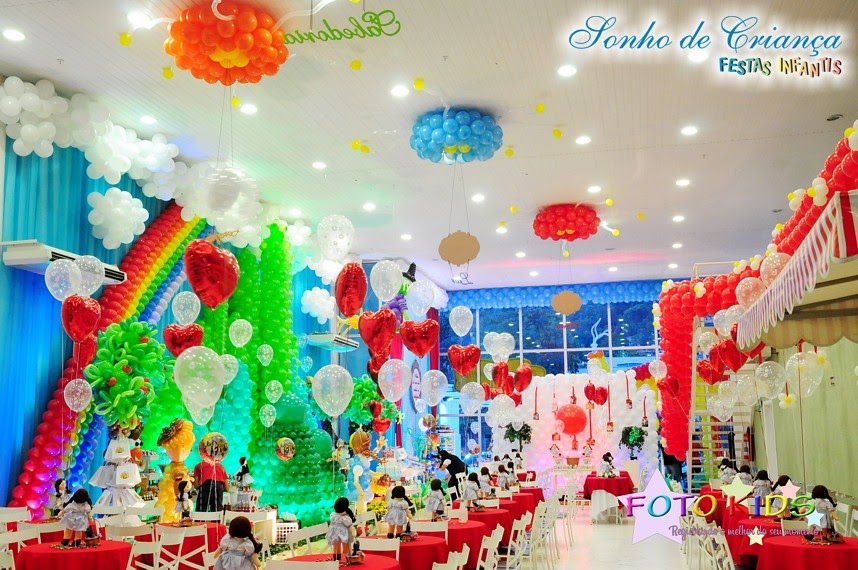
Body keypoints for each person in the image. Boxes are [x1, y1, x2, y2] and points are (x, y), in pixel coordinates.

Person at [326, 497, 356, 563]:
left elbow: (350, 525)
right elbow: (332, 523)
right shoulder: (334, 515)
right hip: (335, 533)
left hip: (344, 533)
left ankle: (348, 557)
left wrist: (353, 531)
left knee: (345, 545)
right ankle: (336, 558)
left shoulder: (346, 518)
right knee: (336, 545)